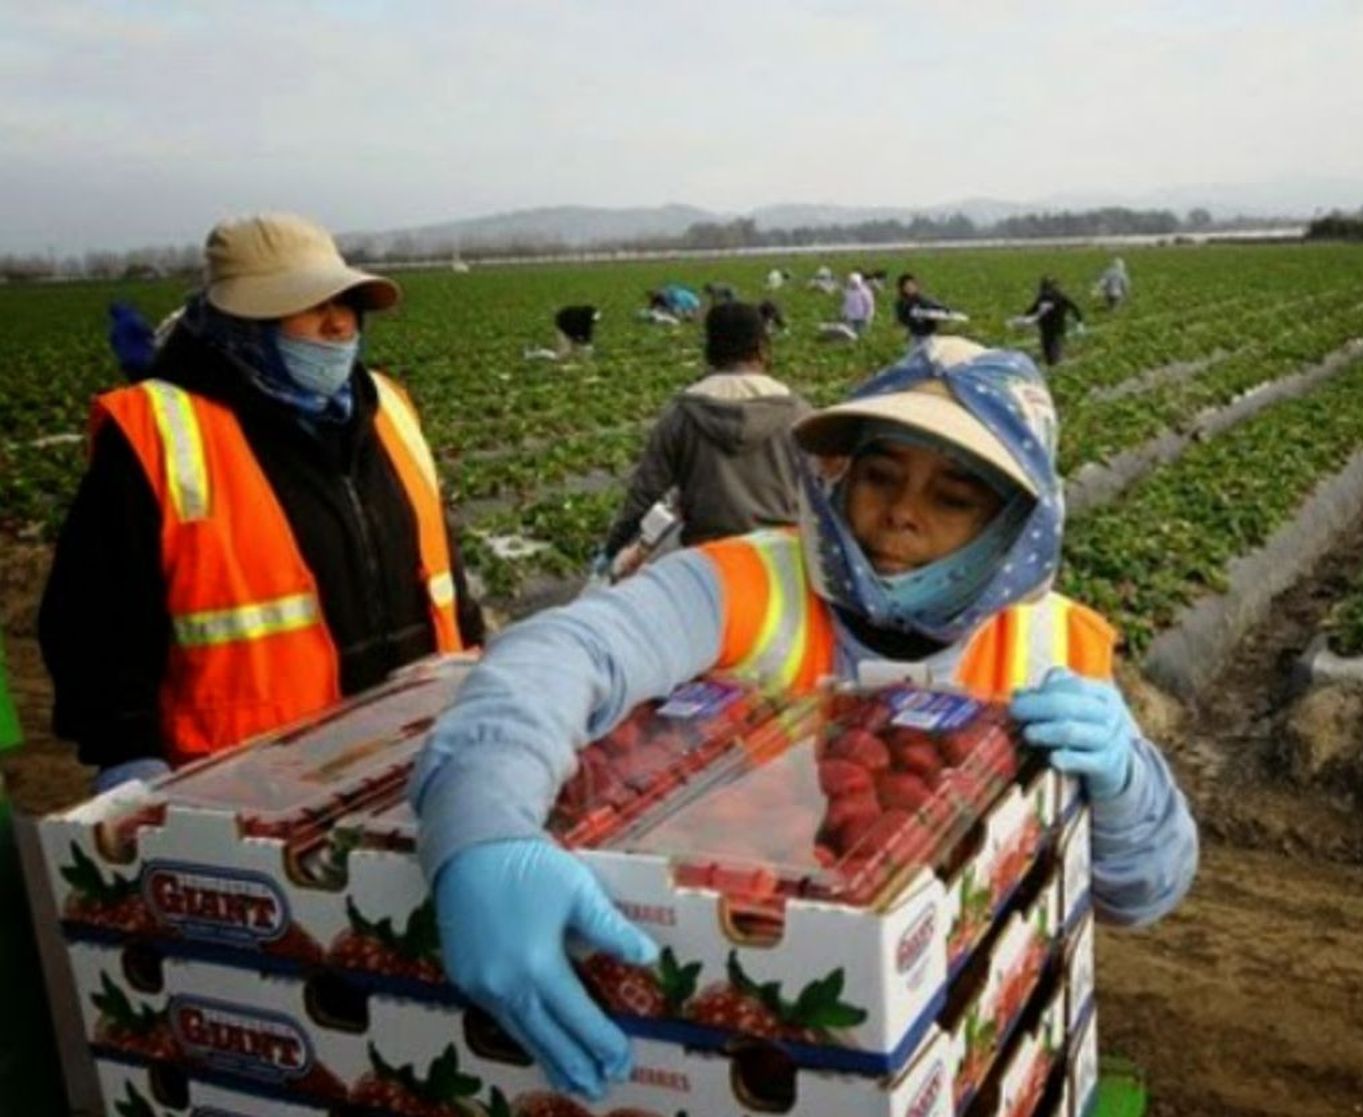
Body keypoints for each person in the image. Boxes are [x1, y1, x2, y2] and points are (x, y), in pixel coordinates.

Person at [411, 337, 1197, 1101]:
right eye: (879, 476)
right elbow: (565, 652)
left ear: (1013, 527)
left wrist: (1128, 786)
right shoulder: (743, 581)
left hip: (959, 1026)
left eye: (953, 497)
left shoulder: (1053, 644)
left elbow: (1140, 891)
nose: (899, 516)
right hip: (738, 1009)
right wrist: (481, 822)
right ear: (839, 477)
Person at [40, 213, 484, 790]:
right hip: (250, 783)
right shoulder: (159, 434)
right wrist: (125, 749)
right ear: (244, 320)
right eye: (312, 307)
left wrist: (480, 670)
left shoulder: (388, 410)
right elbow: (92, 622)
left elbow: (445, 571)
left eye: (347, 304)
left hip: (413, 747)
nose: (338, 325)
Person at [594, 301, 810, 579]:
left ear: (710, 352)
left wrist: (613, 548)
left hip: (708, 564)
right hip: (780, 560)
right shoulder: (798, 413)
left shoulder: (682, 414)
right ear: (761, 348)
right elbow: (826, 489)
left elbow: (644, 494)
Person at [1013, 276, 1085, 367]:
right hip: (1045, 329)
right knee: (1046, 349)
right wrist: (1022, 319)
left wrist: (1079, 323)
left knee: (1055, 349)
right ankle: (1052, 363)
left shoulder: (1060, 297)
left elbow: (1074, 308)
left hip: (1057, 328)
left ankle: (1058, 363)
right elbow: (1032, 309)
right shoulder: (1042, 298)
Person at [895, 272, 964, 345]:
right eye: (906, 286)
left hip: (929, 337)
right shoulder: (901, 304)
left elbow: (938, 307)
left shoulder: (924, 300)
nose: (909, 287)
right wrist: (912, 318)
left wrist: (948, 312)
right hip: (914, 336)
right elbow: (901, 319)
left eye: (911, 285)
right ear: (902, 288)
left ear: (916, 285)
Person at [841, 271, 876, 337]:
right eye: (851, 282)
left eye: (854, 282)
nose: (853, 284)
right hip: (850, 318)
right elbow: (845, 304)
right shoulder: (848, 291)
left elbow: (870, 305)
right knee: (851, 335)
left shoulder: (865, 291)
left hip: (861, 318)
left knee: (861, 335)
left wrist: (868, 316)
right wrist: (843, 314)